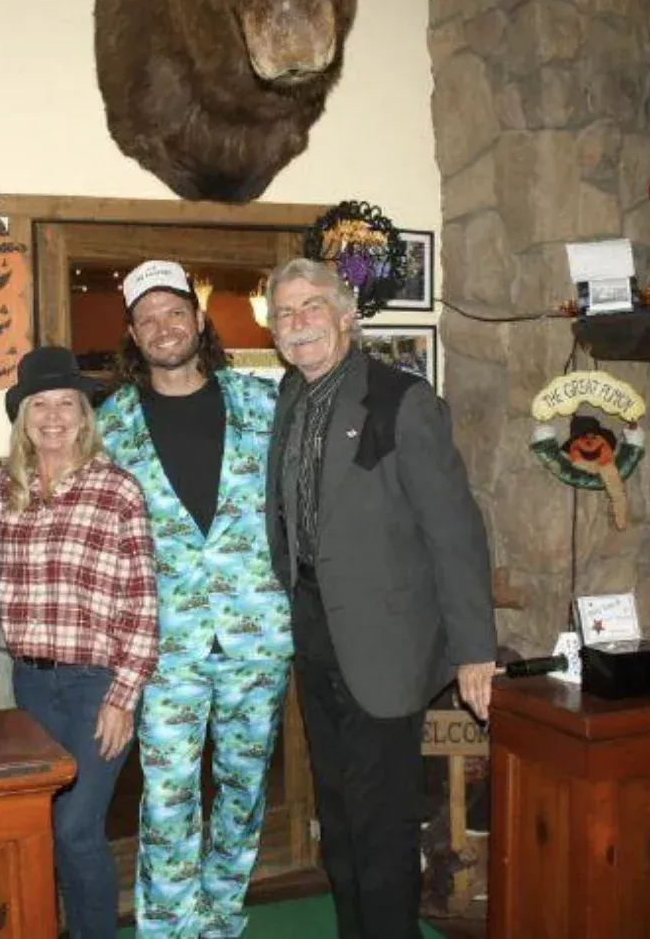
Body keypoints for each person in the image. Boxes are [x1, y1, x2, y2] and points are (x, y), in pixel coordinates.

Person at [263, 257, 497, 939]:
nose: (298, 323)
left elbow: (455, 531)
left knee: (381, 821)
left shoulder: (402, 400)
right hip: (313, 628)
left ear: (345, 316)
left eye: (311, 308)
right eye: (284, 313)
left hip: (385, 645)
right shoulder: (288, 396)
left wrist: (474, 651)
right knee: (336, 814)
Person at [97, 260, 293, 938]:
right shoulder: (109, 425)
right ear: (132, 332)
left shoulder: (264, 403)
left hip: (256, 640)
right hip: (164, 645)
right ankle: (172, 928)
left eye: (174, 312)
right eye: (147, 318)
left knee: (242, 793)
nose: (163, 327)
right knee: (171, 797)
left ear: (198, 319)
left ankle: (222, 919)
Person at [0, 346, 159, 939]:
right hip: (28, 685)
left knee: (77, 827)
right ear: (24, 417)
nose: (55, 416)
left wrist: (124, 696)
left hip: (96, 686)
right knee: (45, 823)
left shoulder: (118, 490)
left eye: (68, 403)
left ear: (86, 416)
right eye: (42, 403)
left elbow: (143, 603)